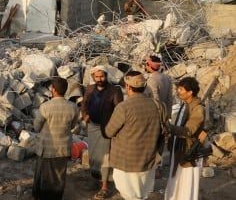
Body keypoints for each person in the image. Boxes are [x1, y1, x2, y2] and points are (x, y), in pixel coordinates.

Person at [103, 71, 163, 200]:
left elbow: (108, 132)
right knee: (143, 194)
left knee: (130, 195)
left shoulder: (123, 107)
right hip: (148, 159)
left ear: (128, 87)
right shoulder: (157, 105)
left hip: (127, 162)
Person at [81, 66, 124, 199]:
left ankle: (104, 186)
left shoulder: (114, 90)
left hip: (107, 129)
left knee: (105, 157)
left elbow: (120, 110)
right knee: (94, 156)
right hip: (92, 127)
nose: (100, 79)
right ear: (93, 77)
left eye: (102, 76)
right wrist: (85, 115)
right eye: (97, 77)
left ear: (106, 75)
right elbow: (84, 104)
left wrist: (114, 127)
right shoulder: (89, 89)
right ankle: (97, 180)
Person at [33, 77, 79, 200]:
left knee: (43, 174)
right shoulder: (73, 107)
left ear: (53, 89)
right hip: (63, 148)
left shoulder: (45, 106)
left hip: (46, 148)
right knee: (59, 175)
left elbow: (36, 126)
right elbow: (73, 126)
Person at [165, 77, 205, 200]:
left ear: (190, 92)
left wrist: (168, 127)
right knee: (176, 180)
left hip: (189, 151)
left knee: (186, 184)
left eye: (181, 89)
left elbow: (189, 131)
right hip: (178, 148)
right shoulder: (185, 105)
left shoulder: (198, 108)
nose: (178, 92)